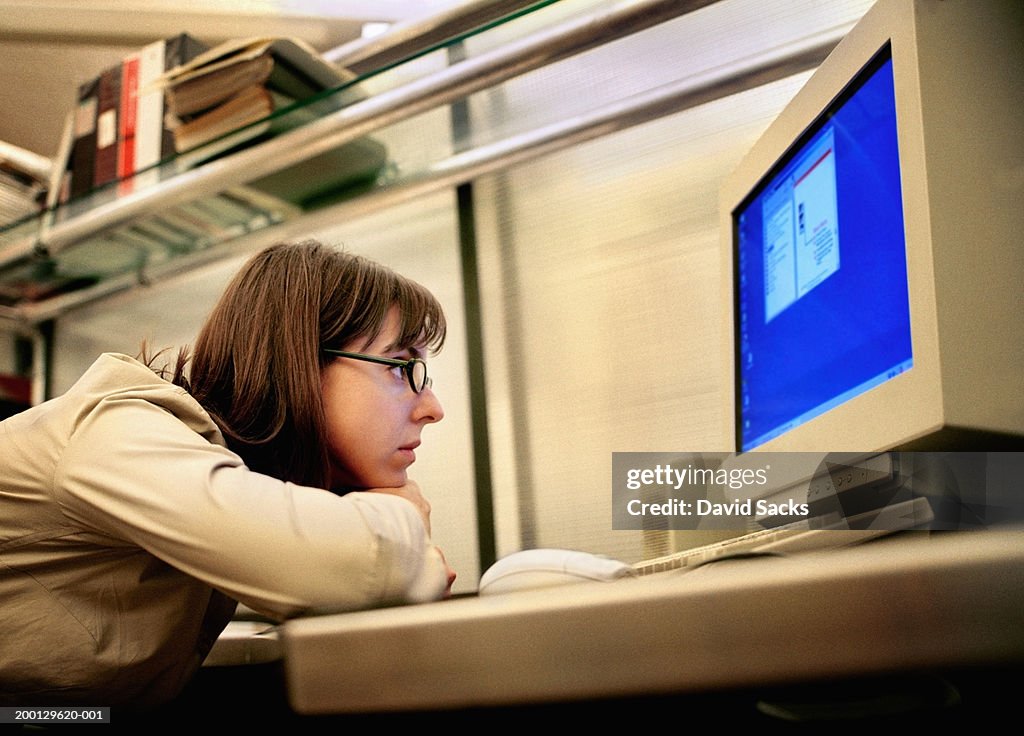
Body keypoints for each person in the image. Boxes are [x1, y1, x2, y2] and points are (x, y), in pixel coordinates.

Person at [0, 240, 456, 710]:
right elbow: (353, 566)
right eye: (402, 366)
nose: (432, 409)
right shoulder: (116, 431)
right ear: (298, 358)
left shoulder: (212, 462)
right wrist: (401, 512)